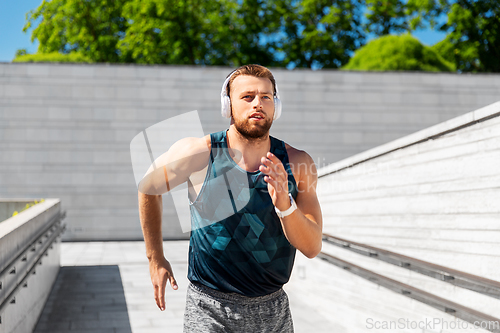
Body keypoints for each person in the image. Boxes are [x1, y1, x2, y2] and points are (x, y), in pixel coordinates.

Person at [138, 64, 323, 332]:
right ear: (228, 106)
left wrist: (285, 203)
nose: (257, 104)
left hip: (272, 310)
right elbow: (148, 186)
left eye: (266, 97)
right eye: (247, 97)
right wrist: (154, 257)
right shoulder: (199, 154)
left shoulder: (297, 164)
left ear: (276, 106)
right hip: (208, 308)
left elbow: (312, 246)